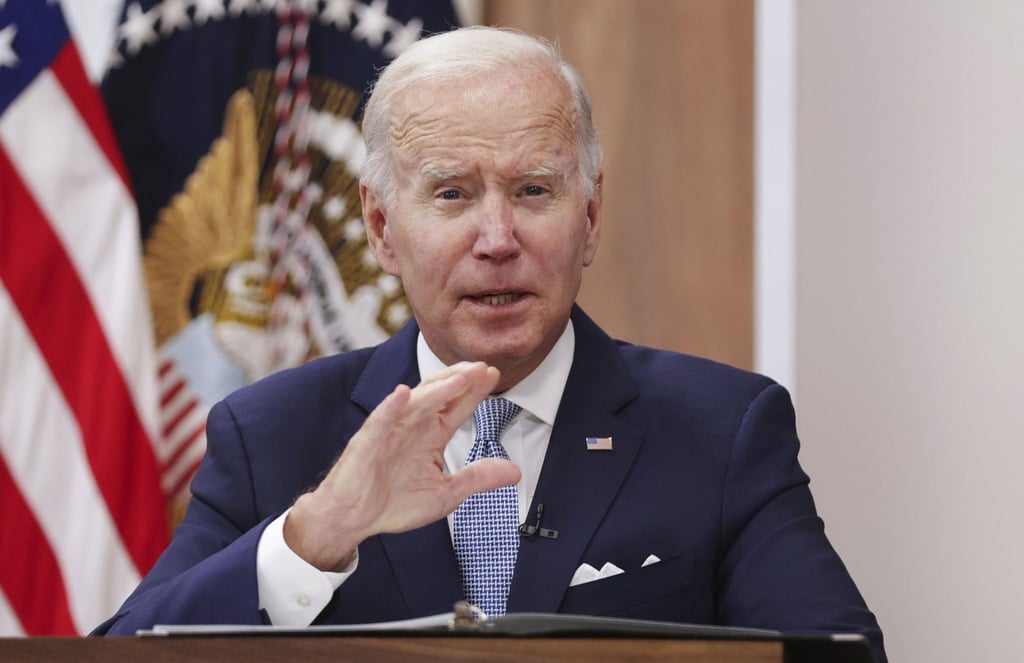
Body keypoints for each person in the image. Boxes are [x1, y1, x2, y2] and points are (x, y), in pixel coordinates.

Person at [95, 25, 886, 662]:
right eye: (452, 194)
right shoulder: (269, 433)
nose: (497, 239)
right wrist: (313, 539)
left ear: (591, 215)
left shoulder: (724, 430)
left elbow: (839, 654)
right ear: (380, 226)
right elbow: (116, 657)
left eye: (534, 190)